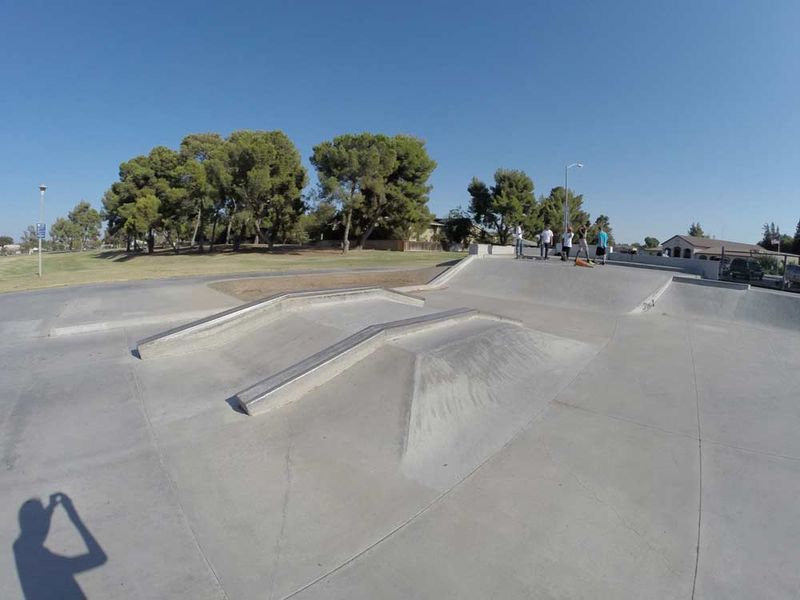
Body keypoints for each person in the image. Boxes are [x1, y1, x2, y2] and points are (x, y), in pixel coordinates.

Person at [14, 493, 107, 599]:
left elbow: (37, 530)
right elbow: (99, 557)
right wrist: (76, 520)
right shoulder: (46, 563)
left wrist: (50, 509)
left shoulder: (21, 549)